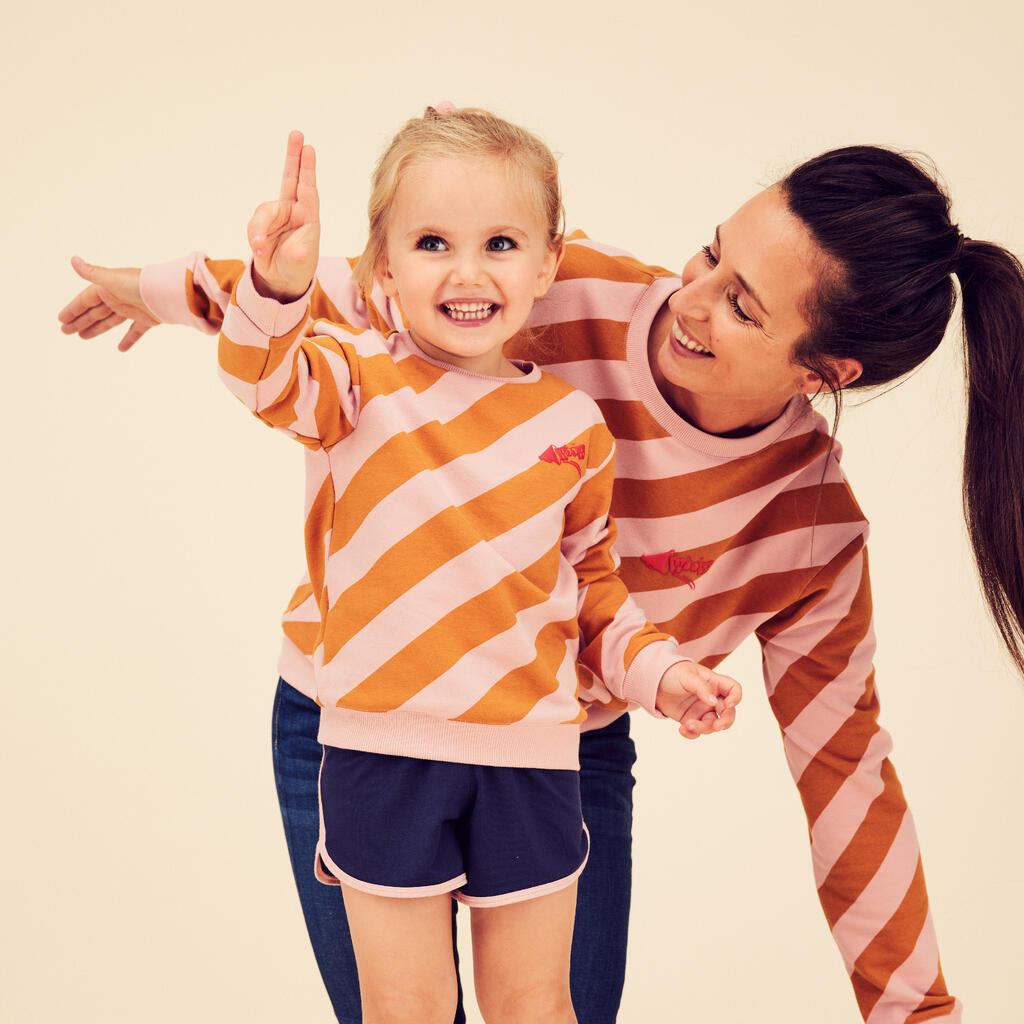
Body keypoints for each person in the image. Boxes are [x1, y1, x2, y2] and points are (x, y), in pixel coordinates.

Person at [59, 125, 1024, 1024]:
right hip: (354, 720)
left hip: (555, 751)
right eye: (711, 253)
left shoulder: (808, 532)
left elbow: (848, 776)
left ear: (825, 373)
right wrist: (163, 288)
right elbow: (354, 289)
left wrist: (919, 1010)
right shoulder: (568, 292)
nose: (690, 299)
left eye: (742, 306)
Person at [119, 106, 742, 1024]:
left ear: (547, 264)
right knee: (406, 1006)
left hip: (533, 760)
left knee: (539, 1004)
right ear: (383, 265)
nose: (467, 272)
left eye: (500, 243)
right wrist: (276, 285)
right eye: (431, 243)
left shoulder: (575, 428)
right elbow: (258, 377)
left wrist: (664, 675)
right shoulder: (349, 377)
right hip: (381, 753)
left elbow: (594, 595)